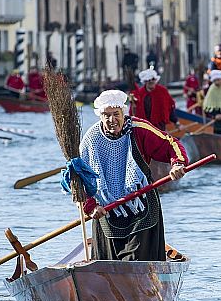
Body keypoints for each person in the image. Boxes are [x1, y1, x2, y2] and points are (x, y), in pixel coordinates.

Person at [71, 90, 188, 262]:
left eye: (116, 114)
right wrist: (90, 206)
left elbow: (170, 143)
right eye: (106, 115)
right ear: (100, 116)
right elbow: (81, 180)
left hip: (141, 207)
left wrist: (178, 163)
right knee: (107, 263)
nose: (112, 120)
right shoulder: (90, 140)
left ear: (123, 113)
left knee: (138, 259)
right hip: (106, 211)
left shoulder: (139, 129)